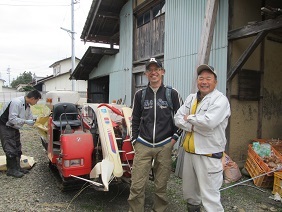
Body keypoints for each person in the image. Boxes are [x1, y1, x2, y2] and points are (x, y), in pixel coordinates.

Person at [128, 58, 182, 212]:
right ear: (146, 74)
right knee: (137, 185)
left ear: (162, 72)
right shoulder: (140, 95)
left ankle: (159, 210)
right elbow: (135, 119)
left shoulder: (172, 93)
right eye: (150, 70)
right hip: (143, 144)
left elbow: (181, 119)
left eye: (156, 69)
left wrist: (173, 140)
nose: (154, 73)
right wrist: (134, 140)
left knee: (161, 186)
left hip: (164, 145)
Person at [174, 64, 231, 212]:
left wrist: (189, 119)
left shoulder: (220, 100)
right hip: (190, 154)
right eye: (201, 78)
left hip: (209, 155)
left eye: (208, 78)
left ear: (215, 82)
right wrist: (193, 124)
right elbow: (177, 118)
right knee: (190, 194)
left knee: (210, 198)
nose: (204, 82)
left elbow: (209, 122)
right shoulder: (191, 98)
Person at [0, 90, 41, 178]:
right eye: (36, 101)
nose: (36, 103)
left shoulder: (27, 106)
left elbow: (30, 118)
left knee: (17, 147)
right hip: (5, 125)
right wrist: (26, 121)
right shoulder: (16, 102)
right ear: (33, 98)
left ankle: (17, 167)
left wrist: (38, 120)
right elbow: (12, 118)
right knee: (10, 147)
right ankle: (11, 170)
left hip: (14, 127)